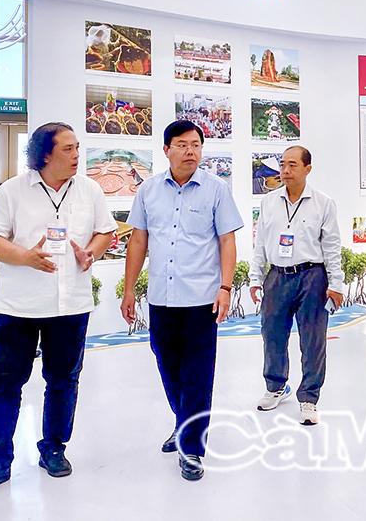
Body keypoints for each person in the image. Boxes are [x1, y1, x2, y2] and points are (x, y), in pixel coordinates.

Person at [0, 122, 116, 492]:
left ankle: (53, 448)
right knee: (4, 383)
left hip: (71, 305)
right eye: (68, 149)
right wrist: (25, 257)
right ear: (45, 154)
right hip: (19, 306)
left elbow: (106, 231)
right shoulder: (14, 191)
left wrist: (91, 252)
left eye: (77, 147)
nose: (77, 155)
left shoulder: (90, 189)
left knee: (64, 380)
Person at [121, 119, 243, 482]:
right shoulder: (148, 190)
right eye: (182, 145)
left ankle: (191, 447)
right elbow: (138, 241)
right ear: (167, 150)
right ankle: (183, 420)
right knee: (167, 364)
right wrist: (129, 289)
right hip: (161, 296)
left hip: (202, 298)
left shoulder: (216, 189)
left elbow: (227, 241)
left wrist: (226, 287)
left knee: (198, 373)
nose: (190, 151)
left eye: (196, 145)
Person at [248, 146, 344, 426]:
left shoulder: (323, 203)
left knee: (313, 340)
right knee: (272, 333)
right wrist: (255, 277)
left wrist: (336, 284)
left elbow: (332, 246)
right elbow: (260, 243)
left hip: (312, 276)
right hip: (277, 276)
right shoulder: (269, 202)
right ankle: (275, 386)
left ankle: (309, 398)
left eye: (292, 165)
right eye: (283, 165)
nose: (286, 170)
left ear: (307, 169)